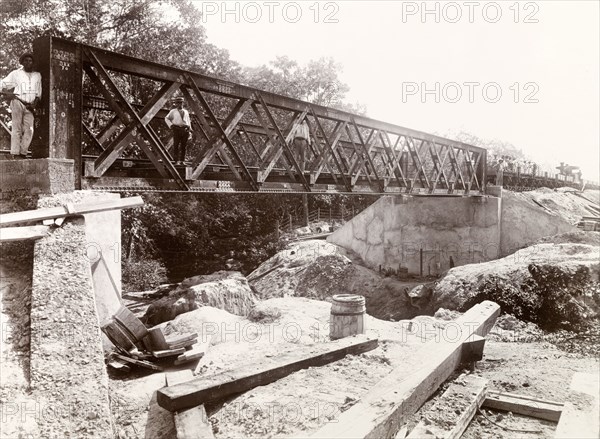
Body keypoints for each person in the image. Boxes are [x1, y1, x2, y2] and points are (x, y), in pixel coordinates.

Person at [0, 53, 42, 159]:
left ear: (33, 63)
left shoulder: (37, 75)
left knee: (30, 129)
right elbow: (3, 84)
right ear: (22, 62)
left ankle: (23, 152)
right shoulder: (16, 73)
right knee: (16, 128)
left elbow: (38, 93)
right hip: (17, 101)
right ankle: (15, 153)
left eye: (30, 61)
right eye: (26, 60)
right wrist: (8, 94)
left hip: (30, 105)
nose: (28, 63)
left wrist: (34, 104)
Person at [165, 96, 191, 165]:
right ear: (176, 104)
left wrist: (190, 130)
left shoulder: (186, 111)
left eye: (180, 103)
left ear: (183, 103)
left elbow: (188, 121)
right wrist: (171, 125)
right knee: (176, 145)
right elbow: (166, 118)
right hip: (176, 129)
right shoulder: (173, 111)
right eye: (178, 103)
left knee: (183, 146)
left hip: (185, 129)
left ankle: (182, 161)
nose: (179, 104)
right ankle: (176, 161)